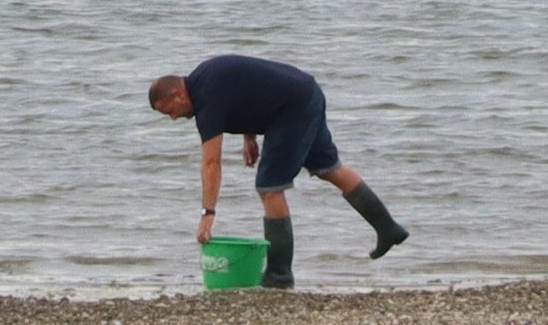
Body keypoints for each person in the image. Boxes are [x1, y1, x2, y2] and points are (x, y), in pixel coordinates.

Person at [148, 51, 406, 287]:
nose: (174, 118)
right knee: (329, 169)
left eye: (170, 112)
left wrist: (208, 214)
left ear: (178, 95)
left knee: (269, 188)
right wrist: (249, 136)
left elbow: (211, 163)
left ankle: (279, 275)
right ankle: (388, 229)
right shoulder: (205, 79)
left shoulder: (205, 100)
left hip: (292, 109)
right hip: (307, 93)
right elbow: (246, 92)